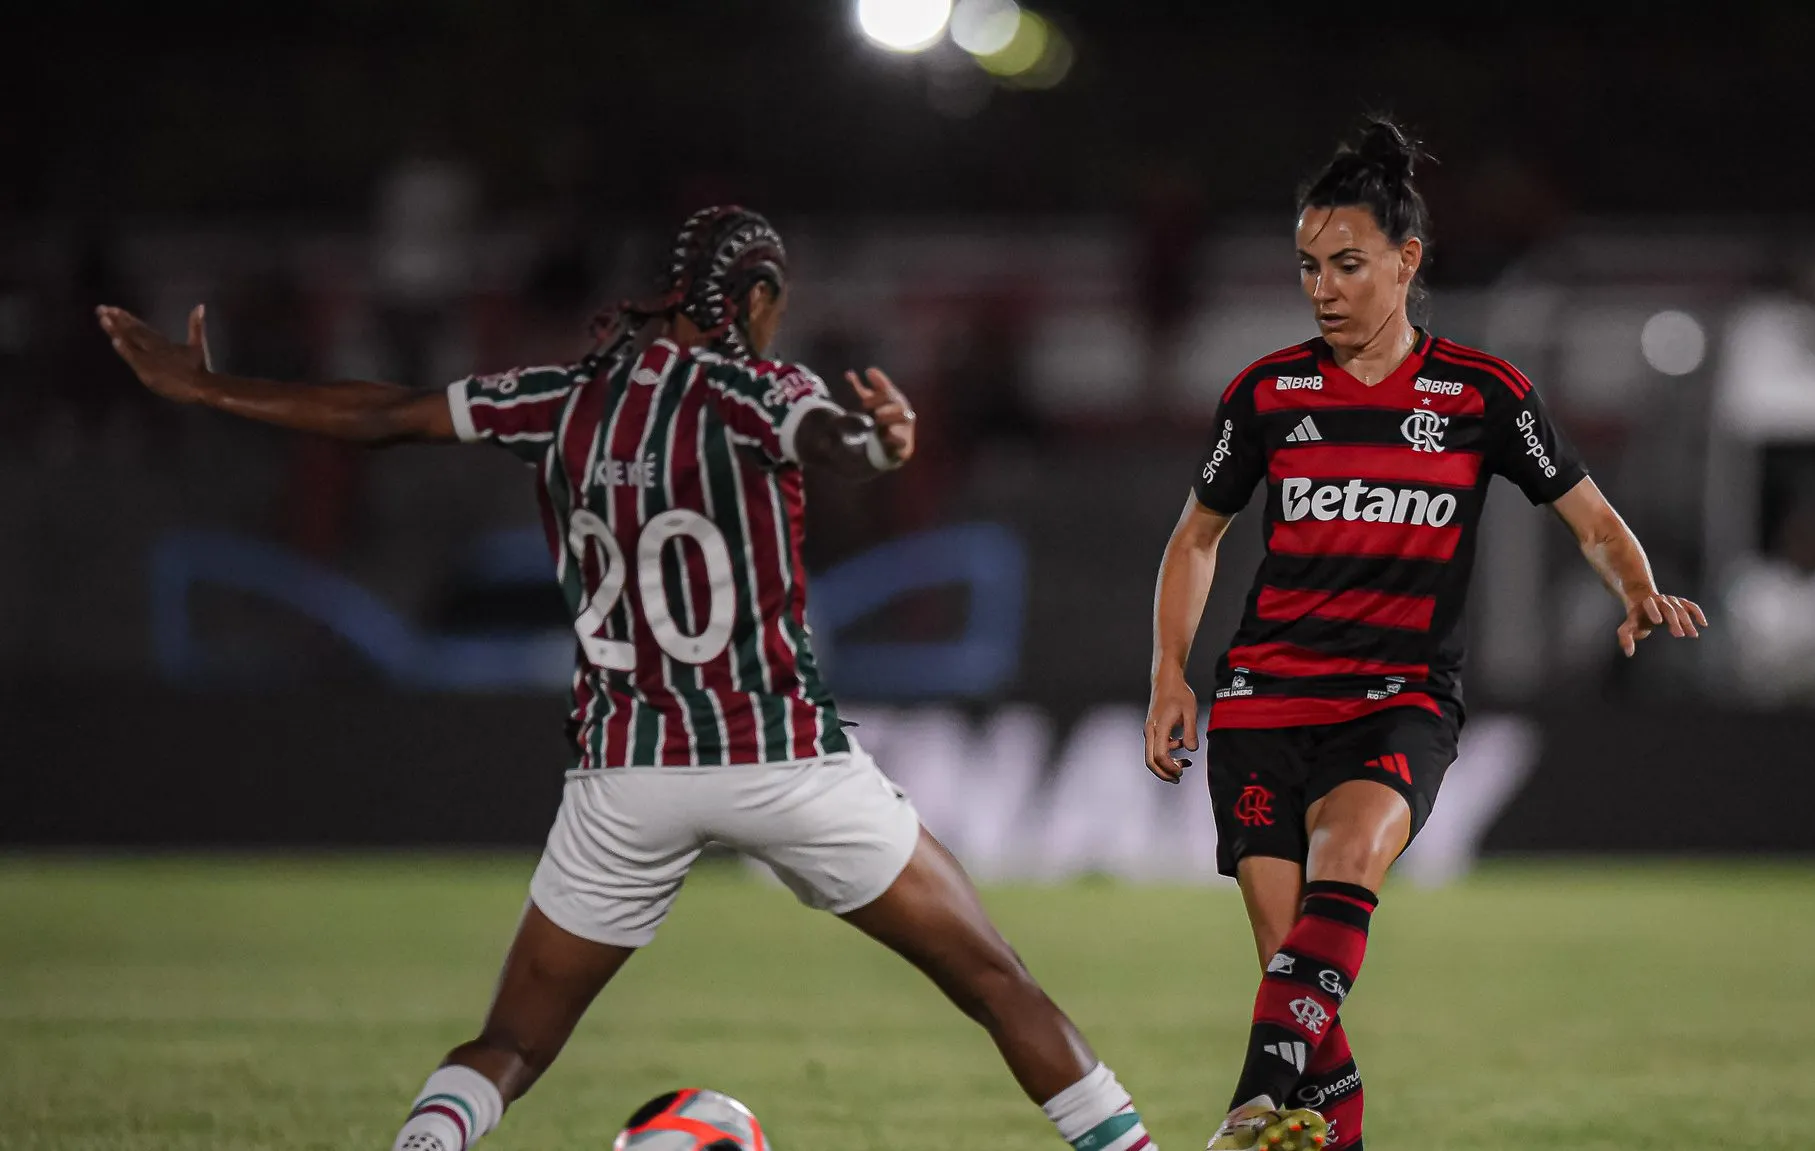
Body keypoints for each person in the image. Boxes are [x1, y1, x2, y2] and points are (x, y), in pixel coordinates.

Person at [99, 205, 1158, 1151]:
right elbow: (833, 440)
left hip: (626, 776)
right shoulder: (760, 391)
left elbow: (385, 414)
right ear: (754, 297)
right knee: (995, 981)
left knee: (511, 1042)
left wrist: (205, 384)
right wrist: (882, 446)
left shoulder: (563, 395)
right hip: (782, 757)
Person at [1142, 119, 1707, 1151]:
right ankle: (1318, 1126)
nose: (1322, 288)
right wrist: (1169, 674)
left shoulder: (1481, 394)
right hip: (1263, 700)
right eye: (1308, 266)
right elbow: (1196, 538)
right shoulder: (1267, 394)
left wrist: (1637, 586)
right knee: (1298, 983)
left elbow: (1588, 516)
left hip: (1395, 701)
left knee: (1348, 860)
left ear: (1405, 261)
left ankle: (1246, 1109)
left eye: (1347, 264)